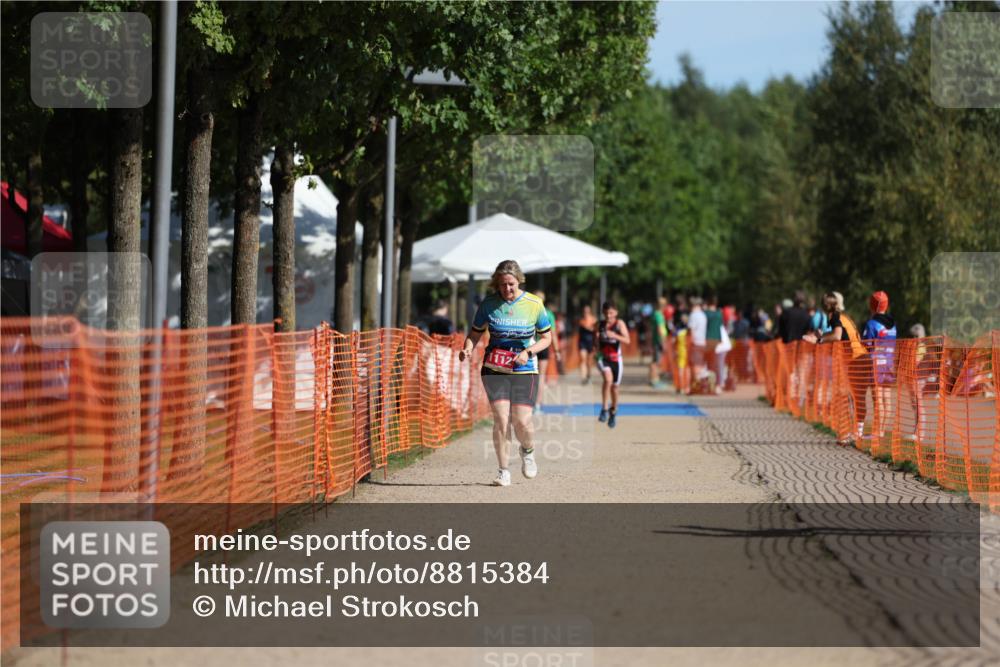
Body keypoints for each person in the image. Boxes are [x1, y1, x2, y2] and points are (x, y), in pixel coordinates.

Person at [459, 260, 552, 487]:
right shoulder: (489, 304)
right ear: (496, 284)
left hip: (524, 368)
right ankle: (503, 471)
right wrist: (468, 348)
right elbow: (475, 334)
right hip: (495, 368)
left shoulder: (534, 304)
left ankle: (527, 450)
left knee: (522, 421)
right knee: (501, 419)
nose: (507, 289)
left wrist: (528, 352)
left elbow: (547, 338)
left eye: (511, 284)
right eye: (502, 285)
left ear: (519, 281)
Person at [803, 291, 868, 445]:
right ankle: (857, 433)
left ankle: (854, 434)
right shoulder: (844, 316)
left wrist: (819, 340)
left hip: (855, 359)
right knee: (858, 397)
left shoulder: (834, 317)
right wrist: (821, 335)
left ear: (824, 306)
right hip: (863, 356)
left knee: (852, 397)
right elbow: (838, 333)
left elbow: (837, 336)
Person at [862, 291, 897, 441]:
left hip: (876, 364)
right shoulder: (893, 325)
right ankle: (882, 431)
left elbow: (867, 345)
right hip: (889, 363)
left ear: (872, 305)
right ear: (886, 305)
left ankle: (876, 433)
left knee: (877, 400)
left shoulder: (871, 324)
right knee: (887, 399)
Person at [596, 301, 630, 428]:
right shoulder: (600, 325)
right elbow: (596, 341)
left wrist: (615, 335)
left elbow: (627, 340)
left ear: (616, 312)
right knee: (607, 379)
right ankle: (604, 408)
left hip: (616, 360)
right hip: (603, 358)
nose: (608, 316)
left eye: (611, 313)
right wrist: (596, 347)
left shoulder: (619, 324)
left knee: (615, 388)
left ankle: (613, 411)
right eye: (606, 313)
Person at [533, 290, 562, 412]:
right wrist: (557, 351)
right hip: (543, 346)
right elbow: (553, 334)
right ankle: (537, 405)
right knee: (541, 376)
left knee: (530, 376)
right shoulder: (548, 314)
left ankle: (530, 403)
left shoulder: (528, 311)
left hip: (530, 347)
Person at [649, 296, 669, 388]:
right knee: (656, 361)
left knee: (655, 360)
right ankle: (655, 380)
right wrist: (663, 342)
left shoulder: (655, 314)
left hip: (656, 340)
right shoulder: (659, 315)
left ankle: (654, 379)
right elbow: (660, 329)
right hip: (658, 340)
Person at [577, 304, 598, 385]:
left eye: (587, 311)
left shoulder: (594, 320)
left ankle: (589, 376)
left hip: (591, 342)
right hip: (582, 342)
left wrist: (596, 344)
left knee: (589, 361)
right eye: (584, 311)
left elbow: (596, 331)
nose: (585, 312)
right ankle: (583, 377)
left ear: (590, 311)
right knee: (582, 359)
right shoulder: (581, 320)